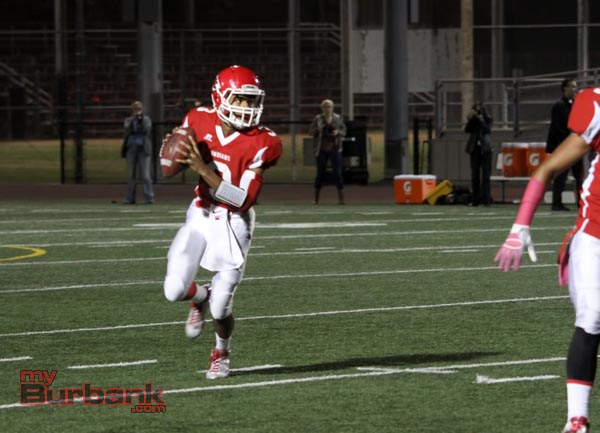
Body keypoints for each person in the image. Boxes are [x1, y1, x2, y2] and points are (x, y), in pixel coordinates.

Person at [162, 65, 282, 379]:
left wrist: (203, 169)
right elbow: (171, 163)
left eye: (251, 100)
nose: (246, 106)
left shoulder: (264, 142)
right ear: (220, 97)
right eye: (239, 99)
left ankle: (221, 352)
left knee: (222, 307)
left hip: (236, 221)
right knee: (173, 289)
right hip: (202, 211)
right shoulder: (197, 119)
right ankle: (199, 297)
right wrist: (174, 150)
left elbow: (244, 200)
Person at [494, 85, 600, 433]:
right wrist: (520, 225)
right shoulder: (597, 105)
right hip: (595, 234)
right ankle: (577, 420)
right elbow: (548, 168)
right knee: (592, 315)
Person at [546, 78, 584, 211]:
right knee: (561, 176)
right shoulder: (559, 106)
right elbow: (558, 127)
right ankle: (556, 203)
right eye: (572, 87)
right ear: (565, 89)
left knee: (579, 176)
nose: (575, 89)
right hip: (564, 147)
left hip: (575, 146)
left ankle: (581, 202)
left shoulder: (575, 104)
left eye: (575, 87)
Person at [310, 99, 347, 205]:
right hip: (321, 149)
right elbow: (311, 131)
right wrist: (319, 130)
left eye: (329, 106)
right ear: (322, 108)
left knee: (338, 173)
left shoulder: (337, 118)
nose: (327, 109)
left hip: (335, 148)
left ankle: (341, 198)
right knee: (320, 173)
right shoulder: (318, 119)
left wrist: (338, 132)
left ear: (333, 107)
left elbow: (344, 130)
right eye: (325, 107)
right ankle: (316, 199)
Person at [122, 100, 154, 204]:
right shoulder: (128, 120)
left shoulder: (146, 119)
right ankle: (130, 198)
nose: (137, 111)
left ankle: (149, 197)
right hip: (131, 148)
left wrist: (141, 121)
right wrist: (134, 120)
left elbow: (147, 130)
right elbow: (127, 130)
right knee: (131, 175)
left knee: (145, 175)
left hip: (143, 149)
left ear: (142, 109)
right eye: (135, 109)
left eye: (139, 109)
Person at [464, 100, 493, 207]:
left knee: (486, 176)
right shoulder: (473, 120)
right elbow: (467, 130)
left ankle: (486, 200)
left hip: (486, 149)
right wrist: (472, 119)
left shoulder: (488, 119)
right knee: (475, 175)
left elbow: (487, 130)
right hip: (475, 149)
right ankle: (475, 199)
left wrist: (481, 119)